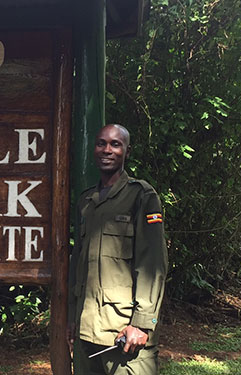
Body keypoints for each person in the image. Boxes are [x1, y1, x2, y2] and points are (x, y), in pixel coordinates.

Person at [67, 124, 168, 374]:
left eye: (115, 144)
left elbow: (153, 264)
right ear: (94, 149)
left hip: (123, 332)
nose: (107, 150)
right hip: (86, 331)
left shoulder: (141, 196)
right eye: (101, 143)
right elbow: (77, 264)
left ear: (127, 150)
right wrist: (72, 318)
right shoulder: (86, 201)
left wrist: (142, 324)